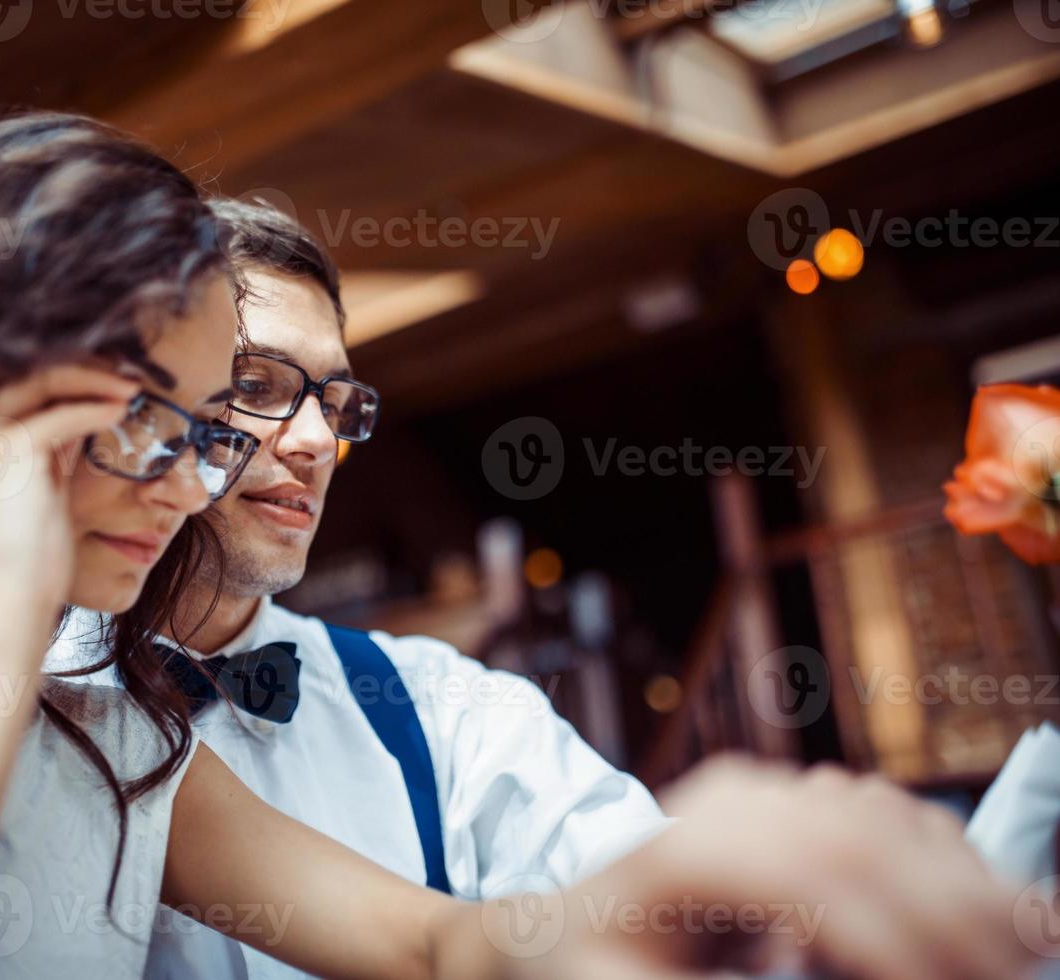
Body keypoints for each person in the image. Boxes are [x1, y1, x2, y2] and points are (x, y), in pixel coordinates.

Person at [0, 112, 1038, 980]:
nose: (197, 477)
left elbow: (427, 947)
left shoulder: (103, 724)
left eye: (210, 426)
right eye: (168, 420)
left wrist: (653, 897)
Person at [53, 199, 669, 978]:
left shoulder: (445, 709)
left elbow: (628, 898)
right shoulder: (26, 700)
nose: (316, 442)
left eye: (333, 404)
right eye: (253, 384)